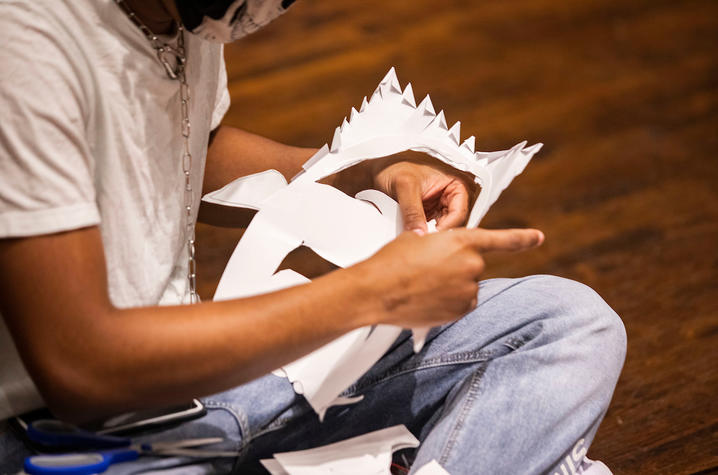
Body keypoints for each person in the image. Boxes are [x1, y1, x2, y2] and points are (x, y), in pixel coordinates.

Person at [0, 0, 626, 473]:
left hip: (195, 387)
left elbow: (186, 151)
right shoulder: (25, 45)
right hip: (66, 436)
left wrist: (357, 175)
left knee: (565, 326)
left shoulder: (182, 18)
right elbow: (80, 366)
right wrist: (373, 293)